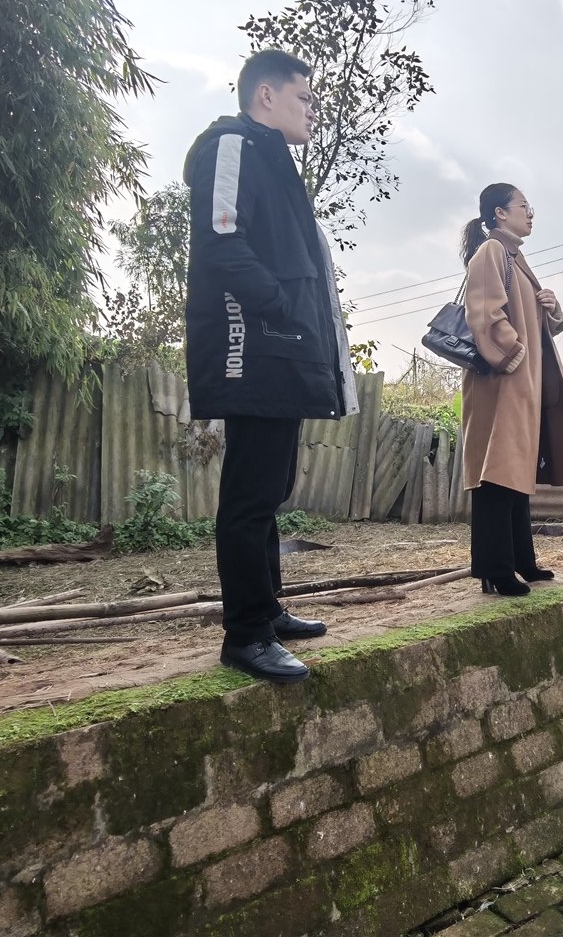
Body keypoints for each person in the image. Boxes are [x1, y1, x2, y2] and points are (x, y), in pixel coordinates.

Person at [184, 48, 357, 684]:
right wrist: (281, 305)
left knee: (272, 487)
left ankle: (269, 610)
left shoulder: (274, 160)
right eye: (304, 98)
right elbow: (222, 244)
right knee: (249, 495)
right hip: (251, 346)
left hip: (281, 346)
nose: (312, 110)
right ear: (266, 96)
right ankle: (246, 634)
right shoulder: (231, 146)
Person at [460, 183, 563, 596]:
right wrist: (513, 355)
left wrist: (550, 307)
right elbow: (484, 313)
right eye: (523, 206)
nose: (530, 213)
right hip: (501, 382)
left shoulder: (515, 256)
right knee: (496, 474)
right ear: (500, 213)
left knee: (515, 470)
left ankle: (521, 561)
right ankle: (494, 570)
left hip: (520, 382)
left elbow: (527, 319)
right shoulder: (491, 251)